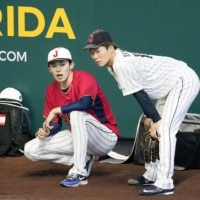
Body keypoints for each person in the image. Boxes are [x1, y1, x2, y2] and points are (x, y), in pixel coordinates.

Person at [83, 29, 200, 195]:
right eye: (91, 52)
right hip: (169, 87)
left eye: (98, 51)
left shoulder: (121, 64)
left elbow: (140, 94)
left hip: (183, 81)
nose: (95, 56)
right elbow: (139, 90)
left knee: (164, 130)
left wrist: (156, 119)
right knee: (150, 129)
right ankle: (152, 174)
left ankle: (165, 183)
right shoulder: (114, 64)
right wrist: (150, 118)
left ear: (111, 49)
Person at [24, 47, 120, 187]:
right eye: (54, 65)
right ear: (49, 69)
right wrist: (47, 131)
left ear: (71, 65)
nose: (58, 70)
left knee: (76, 113)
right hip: (79, 138)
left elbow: (84, 103)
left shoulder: (85, 78)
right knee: (31, 149)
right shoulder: (51, 90)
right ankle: (83, 159)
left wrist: (57, 110)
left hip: (105, 136)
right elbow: (56, 125)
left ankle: (79, 172)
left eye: (62, 64)